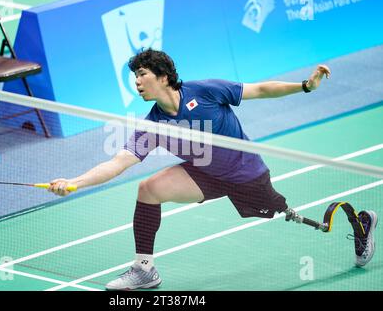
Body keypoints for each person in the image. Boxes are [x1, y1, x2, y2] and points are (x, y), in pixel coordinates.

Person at [48, 49, 377, 290]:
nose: (137, 82)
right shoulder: (153, 125)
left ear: (163, 77)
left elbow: (259, 90)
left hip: (246, 174)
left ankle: (362, 226)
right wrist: (75, 182)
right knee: (148, 188)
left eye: (142, 75)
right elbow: (118, 162)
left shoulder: (204, 91)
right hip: (203, 174)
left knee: (284, 213)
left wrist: (305, 86)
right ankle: (144, 269)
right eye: (134, 77)